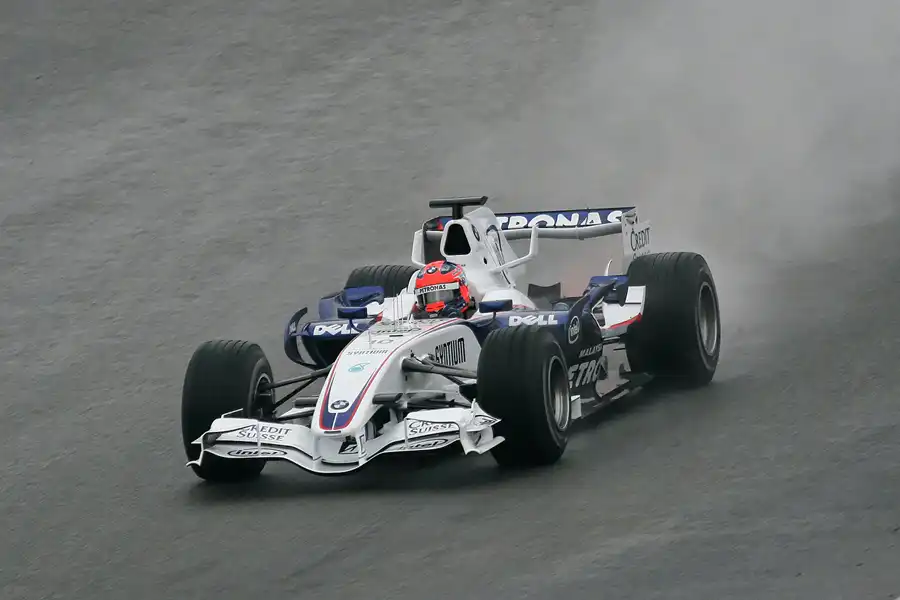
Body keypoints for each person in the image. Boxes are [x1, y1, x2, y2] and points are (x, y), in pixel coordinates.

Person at [412, 260, 476, 319]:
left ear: (462, 290)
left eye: (442, 295)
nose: (436, 308)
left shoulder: (477, 316)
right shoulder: (415, 320)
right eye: (430, 298)